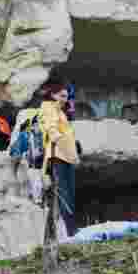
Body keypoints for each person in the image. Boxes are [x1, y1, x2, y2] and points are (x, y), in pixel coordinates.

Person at [39, 83, 79, 240]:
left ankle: (71, 230)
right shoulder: (49, 107)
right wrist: (68, 149)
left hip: (66, 156)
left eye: (66, 96)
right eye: (62, 95)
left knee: (69, 193)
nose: (65, 99)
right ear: (53, 95)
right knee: (64, 195)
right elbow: (53, 131)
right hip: (58, 156)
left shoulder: (61, 111)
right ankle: (69, 232)